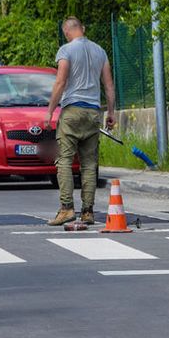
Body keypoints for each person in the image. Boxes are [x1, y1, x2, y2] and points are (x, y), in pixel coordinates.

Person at [44, 17, 116, 226]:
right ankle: (88, 212)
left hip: (72, 111)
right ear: (82, 29)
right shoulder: (100, 51)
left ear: (66, 32)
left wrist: (50, 111)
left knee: (64, 160)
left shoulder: (66, 50)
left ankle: (66, 209)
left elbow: (61, 81)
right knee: (89, 164)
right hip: (93, 113)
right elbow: (109, 86)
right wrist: (110, 113)